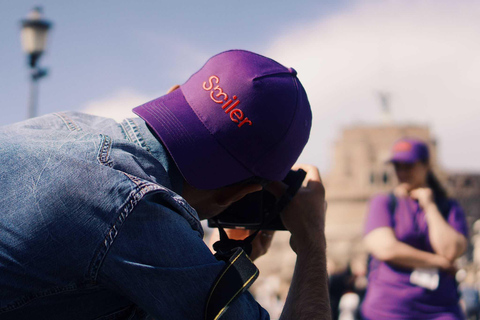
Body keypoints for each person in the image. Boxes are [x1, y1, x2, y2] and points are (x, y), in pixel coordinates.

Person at [0, 50, 331, 319]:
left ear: (175, 95)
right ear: (237, 193)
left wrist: (233, 260)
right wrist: (312, 240)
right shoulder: (136, 210)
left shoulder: (65, 123)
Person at [361, 138, 469, 319]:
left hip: (440, 307)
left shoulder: (448, 207)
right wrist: (439, 262)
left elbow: (450, 250)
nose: (402, 172)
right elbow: (385, 248)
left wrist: (430, 206)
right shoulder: (383, 202)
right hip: (389, 307)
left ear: (426, 165)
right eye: (397, 166)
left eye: (408, 165)